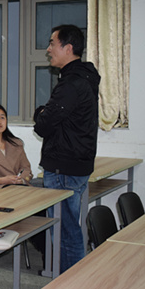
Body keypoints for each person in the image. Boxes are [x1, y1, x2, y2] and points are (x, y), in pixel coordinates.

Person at [34, 24, 100, 273]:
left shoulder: (71, 83)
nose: (48, 49)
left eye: (52, 44)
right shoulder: (85, 78)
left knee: (65, 233)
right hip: (76, 164)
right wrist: (45, 113)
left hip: (64, 168)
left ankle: (69, 286)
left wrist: (41, 113)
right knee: (71, 229)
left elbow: (43, 125)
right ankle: (74, 282)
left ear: (68, 48)